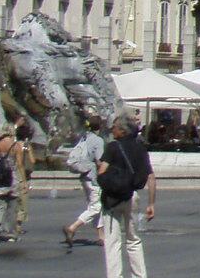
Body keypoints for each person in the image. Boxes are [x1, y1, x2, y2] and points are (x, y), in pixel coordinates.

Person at [97, 115, 157, 278]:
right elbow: (151, 177)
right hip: (132, 196)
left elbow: (101, 171)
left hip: (112, 199)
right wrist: (151, 203)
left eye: (114, 127)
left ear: (122, 130)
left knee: (112, 242)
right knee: (133, 239)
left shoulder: (113, 147)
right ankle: (139, 275)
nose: (112, 129)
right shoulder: (140, 148)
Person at [62, 115, 106, 250]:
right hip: (93, 177)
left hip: (84, 175)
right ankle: (72, 227)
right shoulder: (98, 141)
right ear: (100, 126)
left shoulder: (84, 137)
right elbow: (99, 161)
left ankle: (101, 237)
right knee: (96, 206)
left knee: (97, 205)